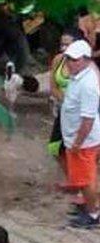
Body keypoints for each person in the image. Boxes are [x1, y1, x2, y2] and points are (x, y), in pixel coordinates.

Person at [59, 40, 100, 228]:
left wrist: (77, 142)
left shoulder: (88, 85)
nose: (70, 62)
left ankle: (92, 214)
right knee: (84, 178)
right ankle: (88, 206)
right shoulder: (79, 77)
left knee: (85, 180)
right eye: (68, 58)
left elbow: (88, 119)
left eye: (74, 60)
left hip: (83, 141)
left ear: (85, 60)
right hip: (76, 139)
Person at [48, 29, 81, 192]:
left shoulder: (85, 65)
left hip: (81, 112)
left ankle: (82, 183)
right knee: (55, 147)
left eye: (67, 44)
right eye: (62, 44)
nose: (63, 47)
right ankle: (74, 179)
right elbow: (53, 86)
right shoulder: (58, 60)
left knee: (80, 148)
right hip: (64, 109)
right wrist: (65, 101)